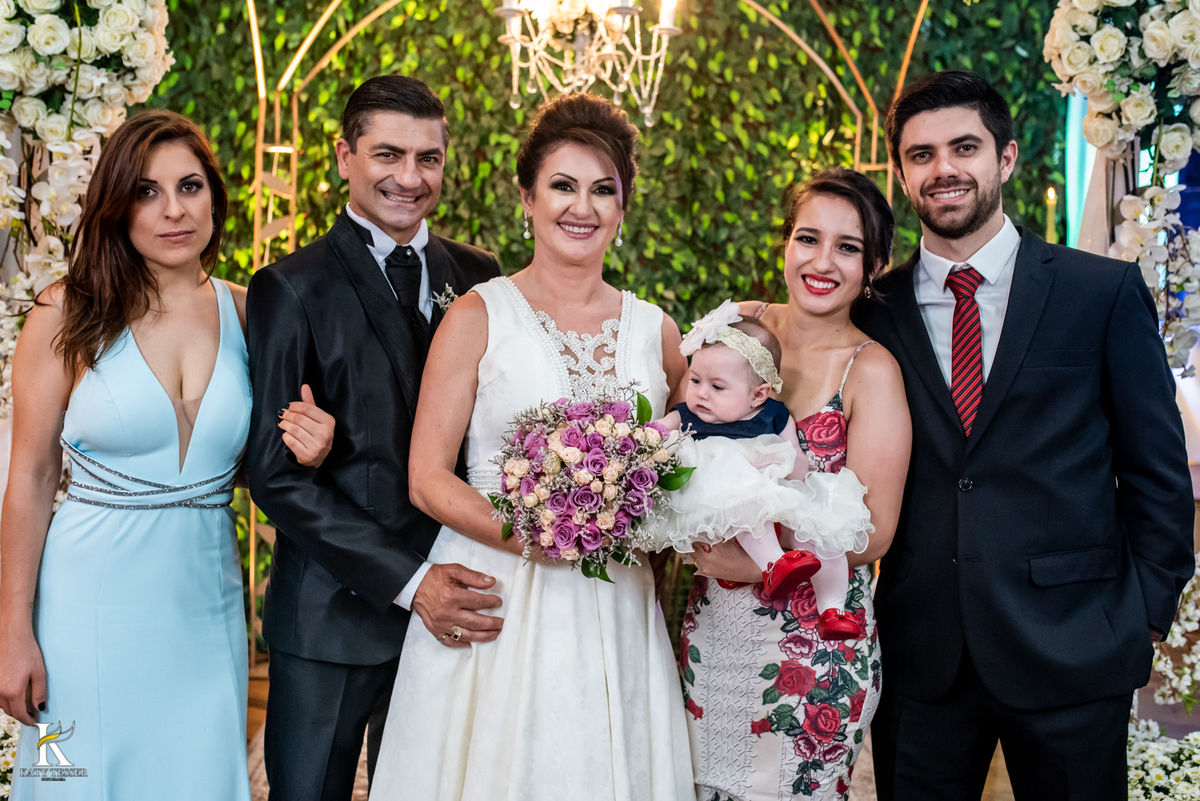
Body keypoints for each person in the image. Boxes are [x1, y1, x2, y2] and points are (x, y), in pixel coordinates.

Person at [855, 70, 1195, 800]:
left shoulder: (1097, 292)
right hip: (923, 656)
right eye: (921, 154)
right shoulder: (873, 311)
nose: (943, 168)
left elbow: (1158, 475)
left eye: (964, 147)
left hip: (1076, 647)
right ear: (902, 173)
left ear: (1005, 158)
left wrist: (1140, 619)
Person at [367, 92, 694, 801]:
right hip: (496, 596)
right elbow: (427, 477)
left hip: (615, 609)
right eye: (563, 186)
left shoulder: (656, 332)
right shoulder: (477, 314)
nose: (583, 208)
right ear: (528, 198)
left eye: (603, 190)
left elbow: (688, 469)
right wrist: (539, 534)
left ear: (623, 206)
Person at [0, 110, 333, 800]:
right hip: (79, 611)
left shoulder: (253, 313)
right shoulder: (65, 313)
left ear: (215, 195)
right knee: (68, 780)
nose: (174, 210)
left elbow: (263, 465)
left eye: (190, 186)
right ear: (117, 206)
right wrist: (12, 631)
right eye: (148, 192)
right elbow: (29, 478)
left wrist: (314, 444)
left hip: (203, 609)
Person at [246, 76, 502, 800]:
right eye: (388, 154)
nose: (409, 178)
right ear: (343, 155)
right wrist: (414, 583)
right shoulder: (290, 287)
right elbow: (276, 476)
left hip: (462, 604)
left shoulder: (483, 279)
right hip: (333, 615)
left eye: (429, 158)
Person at [684, 166, 911, 799]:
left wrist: (760, 563)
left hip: (816, 650)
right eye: (808, 238)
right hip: (714, 634)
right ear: (785, 243)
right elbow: (680, 440)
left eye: (849, 247)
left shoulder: (873, 372)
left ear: (872, 266)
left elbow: (875, 532)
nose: (823, 261)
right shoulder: (736, 325)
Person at [649, 302, 873, 639]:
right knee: (748, 502)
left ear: (758, 395)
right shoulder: (689, 416)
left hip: (774, 492)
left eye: (718, 386)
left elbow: (796, 460)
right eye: (695, 379)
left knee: (822, 532)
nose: (701, 394)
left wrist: (788, 485)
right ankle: (774, 564)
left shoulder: (774, 416)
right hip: (723, 500)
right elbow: (657, 433)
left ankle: (833, 609)